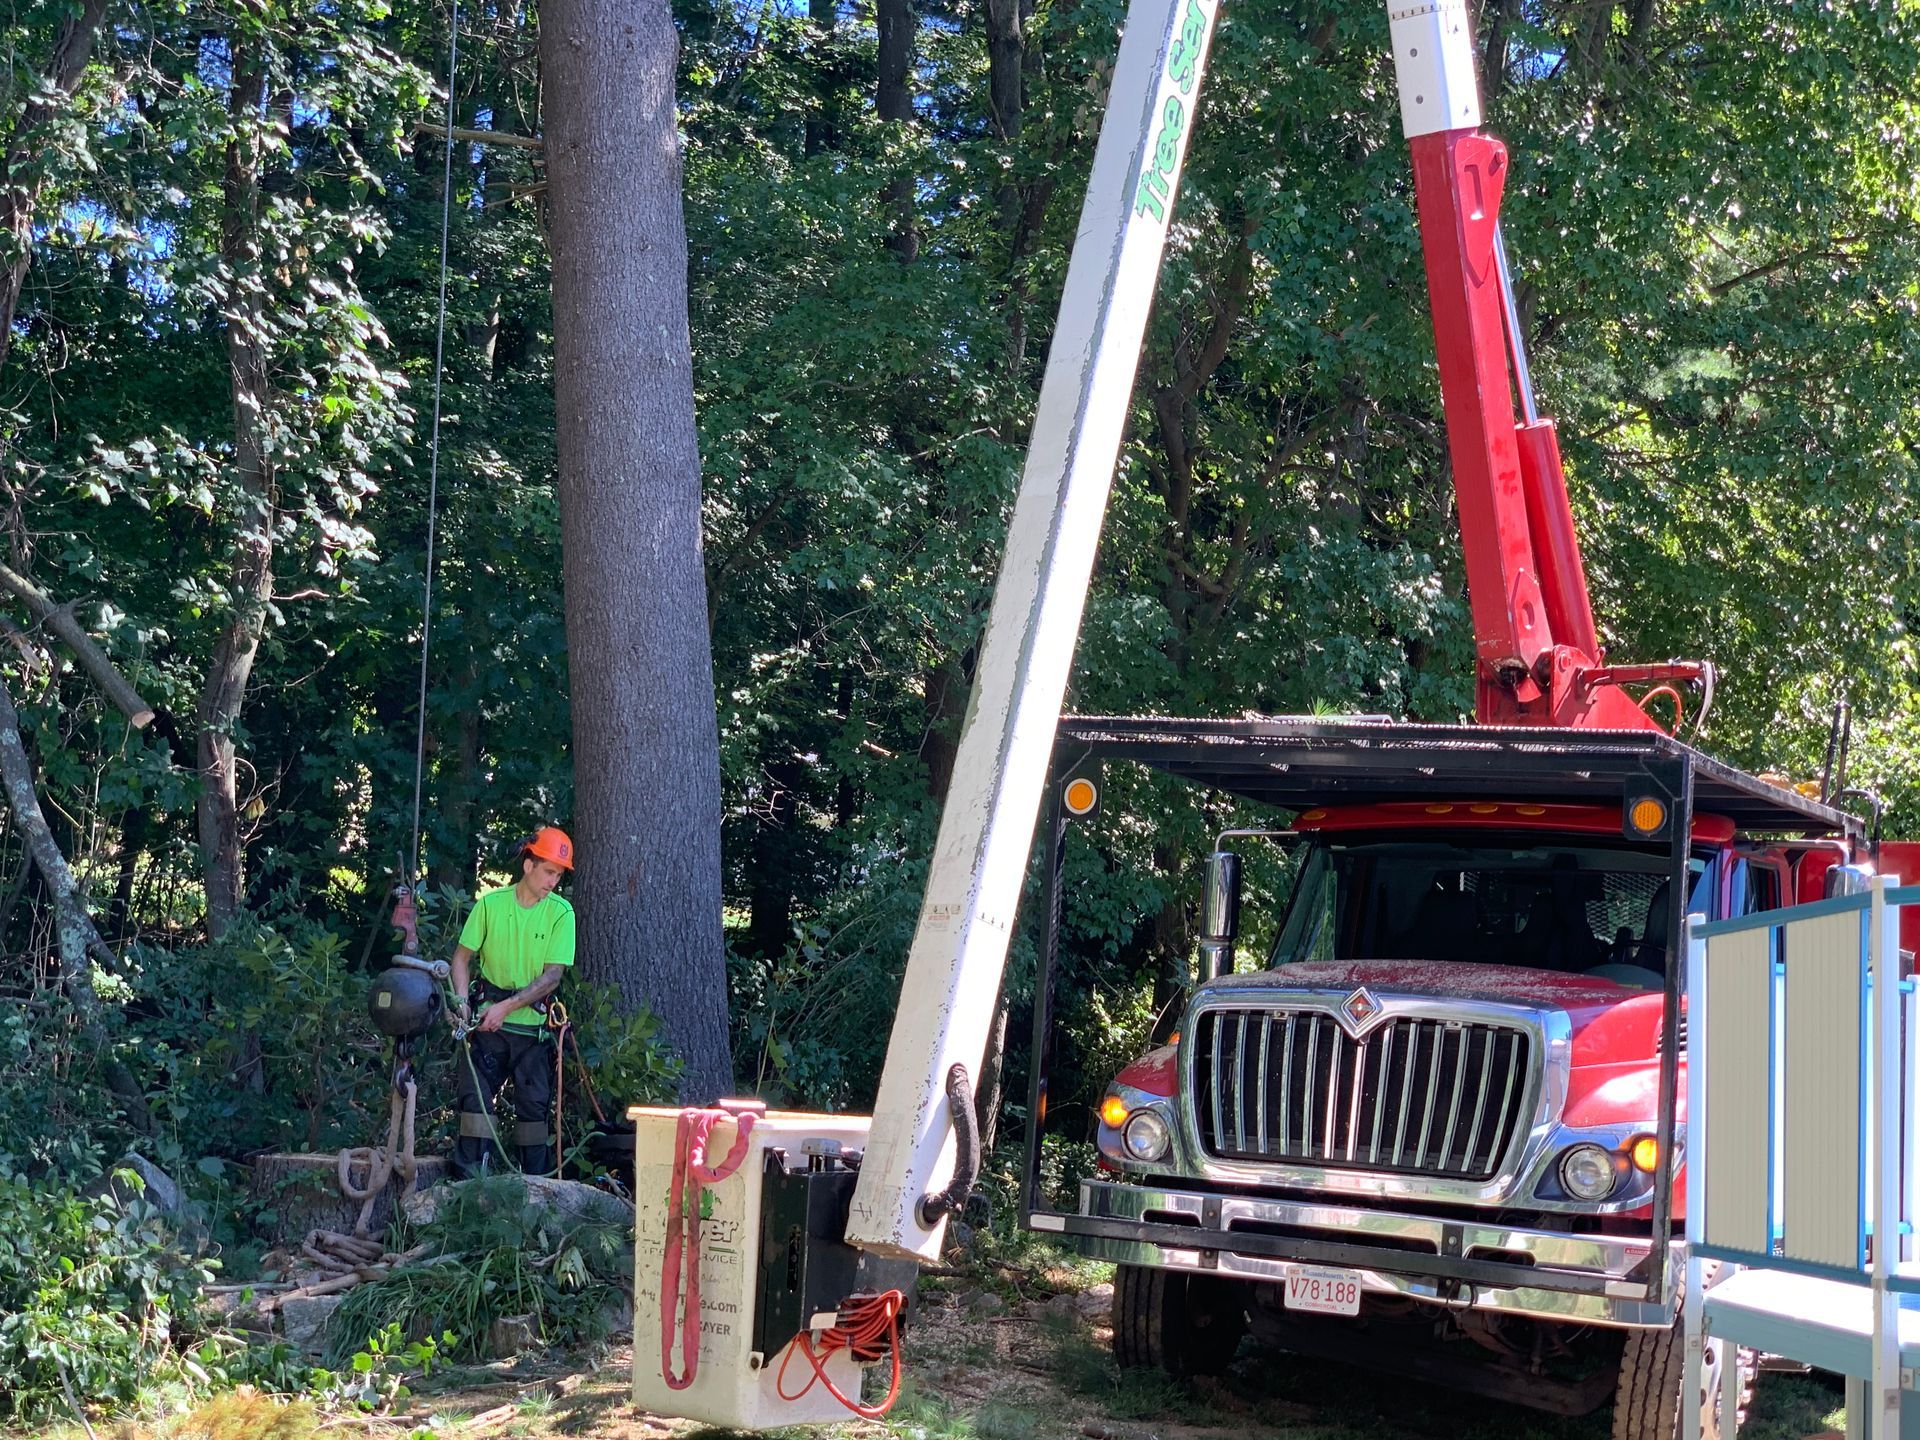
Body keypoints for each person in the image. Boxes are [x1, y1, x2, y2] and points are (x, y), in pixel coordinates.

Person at [450, 825, 577, 1178]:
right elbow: (461, 958)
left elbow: (552, 977)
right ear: (528, 866)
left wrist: (505, 1008)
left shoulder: (561, 913)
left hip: (533, 1030)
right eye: (549, 871)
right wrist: (461, 1004)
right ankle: (469, 1186)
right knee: (475, 1106)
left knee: (534, 1113)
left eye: (559, 874)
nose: (553, 881)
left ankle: (535, 1187)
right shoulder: (491, 905)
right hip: (487, 1026)